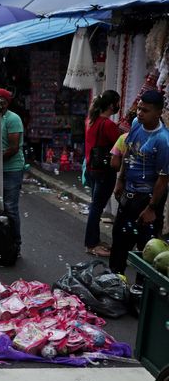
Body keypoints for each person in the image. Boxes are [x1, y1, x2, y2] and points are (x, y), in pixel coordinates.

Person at [110, 90, 169, 277]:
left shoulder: (163, 140)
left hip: (148, 198)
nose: (140, 113)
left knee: (146, 247)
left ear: (159, 112)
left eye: (146, 110)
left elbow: (163, 178)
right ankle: (114, 282)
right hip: (129, 193)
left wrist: (152, 208)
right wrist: (120, 180)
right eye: (139, 109)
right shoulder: (136, 124)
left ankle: (141, 292)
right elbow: (129, 152)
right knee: (119, 239)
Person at [83, 90, 121, 257]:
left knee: (95, 206)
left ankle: (95, 241)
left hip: (92, 169)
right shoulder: (107, 125)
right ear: (112, 105)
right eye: (117, 102)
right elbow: (120, 144)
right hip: (104, 172)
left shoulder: (91, 120)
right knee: (96, 208)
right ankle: (91, 244)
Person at [0, 88, 25, 254]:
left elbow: (13, 147)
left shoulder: (13, 119)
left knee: (10, 207)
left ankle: (15, 243)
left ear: (5, 102)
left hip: (11, 169)